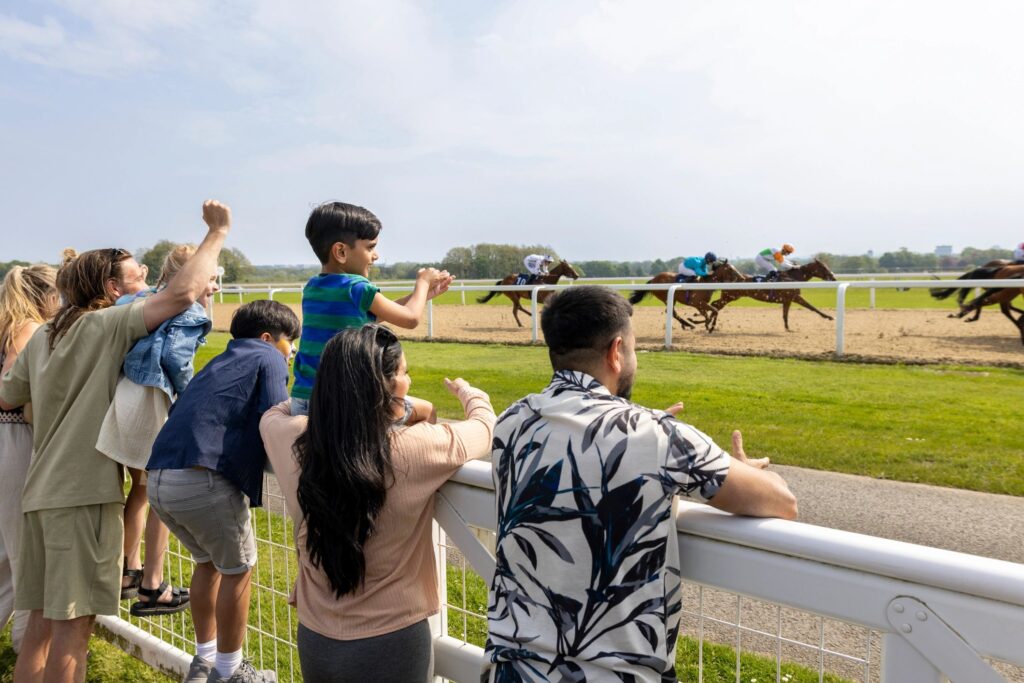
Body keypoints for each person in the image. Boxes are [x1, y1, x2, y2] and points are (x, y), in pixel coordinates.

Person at [482, 286, 798, 682]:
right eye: (634, 349)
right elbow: (782, 502)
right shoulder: (657, 435)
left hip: (515, 669)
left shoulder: (513, 420)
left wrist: (635, 438)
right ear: (616, 351)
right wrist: (742, 466)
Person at [0, 199, 233, 683]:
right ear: (110, 289)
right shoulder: (104, 325)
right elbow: (185, 292)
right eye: (136, 276)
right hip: (84, 496)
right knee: (73, 634)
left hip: (39, 494)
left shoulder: (43, 336)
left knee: (41, 627)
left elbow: (7, 396)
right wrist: (217, 232)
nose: (146, 284)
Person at [260, 323, 495, 683]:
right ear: (382, 388)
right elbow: (485, 425)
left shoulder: (294, 439)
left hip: (316, 636)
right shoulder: (415, 448)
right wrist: (467, 392)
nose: (409, 380)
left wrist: (333, 399)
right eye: (403, 373)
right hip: (394, 641)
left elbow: (273, 415)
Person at [146, 299, 301, 683]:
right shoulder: (268, 357)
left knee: (209, 564)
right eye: (290, 342)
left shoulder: (220, 361)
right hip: (203, 479)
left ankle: (204, 662)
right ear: (268, 339)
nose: (292, 351)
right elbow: (274, 417)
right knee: (239, 570)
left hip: (160, 479)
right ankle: (231, 673)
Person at [96, 244, 219, 617]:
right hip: (152, 401)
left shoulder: (141, 298)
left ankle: (126, 572)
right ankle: (153, 584)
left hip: (125, 395)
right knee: (158, 493)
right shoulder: (190, 312)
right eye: (211, 278)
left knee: (141, 490)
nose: (213, 287)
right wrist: (191, 397)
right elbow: (175, 360)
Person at [290, 201, 453, 417]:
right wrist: (422, 284)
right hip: (344, 401)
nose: (375, 256)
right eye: (370, 247)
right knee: (428, 411)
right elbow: (411, 319)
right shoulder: (356, 287)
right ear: (340, 251)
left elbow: (368, 317)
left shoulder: (313, 287)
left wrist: (421, 297)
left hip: (303, 399)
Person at [0, 265, 58, 656]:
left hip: (8, 439)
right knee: (28, 564)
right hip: (16, 440)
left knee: (7, 560)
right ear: (45, 296)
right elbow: (8, 393)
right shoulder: (28, 329)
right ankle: (30, 659)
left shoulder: (8, 325)